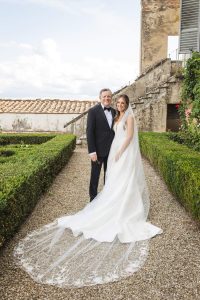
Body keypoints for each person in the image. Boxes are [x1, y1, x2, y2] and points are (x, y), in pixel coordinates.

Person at [13, 94, 163, 288]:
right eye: (117, 102)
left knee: (123, 182)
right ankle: (101, 202)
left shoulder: (129, 117)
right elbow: (91, 131)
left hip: (121, 155)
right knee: (107, 182)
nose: (118, 104)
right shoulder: (112, 115)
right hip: (106, 153)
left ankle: (127, 207)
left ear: (127, 104)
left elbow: (129, 137)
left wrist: (119, 152)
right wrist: (95, 150)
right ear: (107, 100)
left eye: (121, 103)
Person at [87, 88, 116, 201]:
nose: (106, 98)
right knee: (95, 176)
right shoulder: (93, 111)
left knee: (108, 175)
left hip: (111, 150)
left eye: (108, 96)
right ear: (100, 98)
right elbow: (89, 132)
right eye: (104, 96)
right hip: (97, 151)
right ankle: (92, 199)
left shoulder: (114, 112)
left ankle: (106, 198)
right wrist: (92, 151)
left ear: (111, 98)